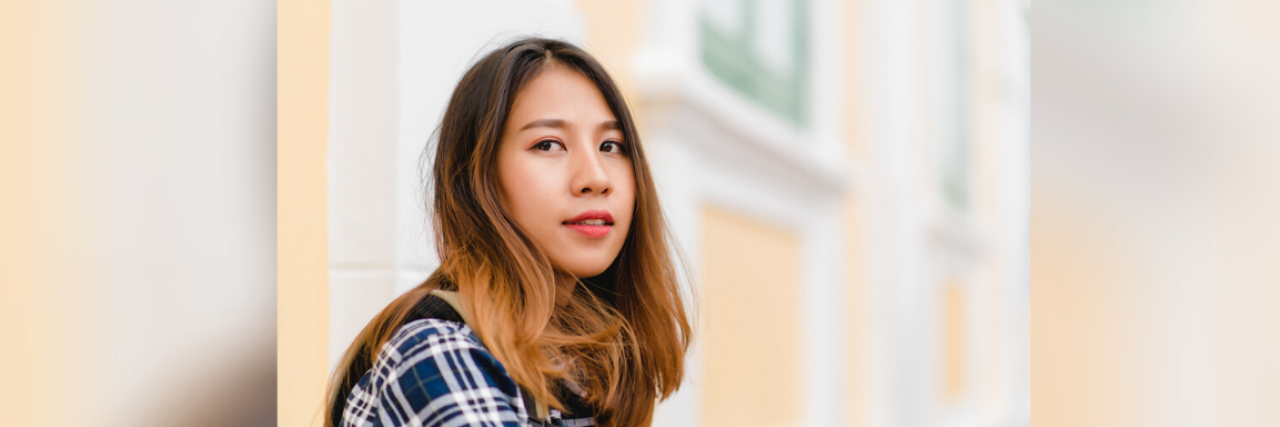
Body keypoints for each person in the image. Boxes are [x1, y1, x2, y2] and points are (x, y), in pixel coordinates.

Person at [325, 37, 693, 427]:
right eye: (548, 144)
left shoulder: (589, 363)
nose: (596, 178)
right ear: (479, 179)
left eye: (611, 145)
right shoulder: (440, 354)